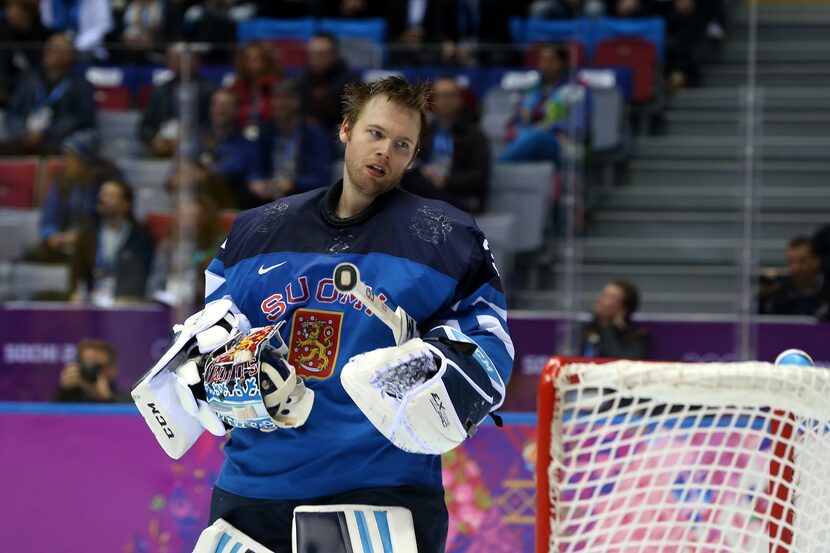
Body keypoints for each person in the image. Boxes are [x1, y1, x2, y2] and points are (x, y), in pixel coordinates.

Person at [134, 76, 513, 553]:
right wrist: (216, 371)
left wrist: (439, 367)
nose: (385, 153)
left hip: (380, 490)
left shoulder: (445, 237)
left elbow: (490, 346)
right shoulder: (258, 230)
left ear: (413, 157)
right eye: (375, 134)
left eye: (402, 144)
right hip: (255, 489)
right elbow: (215, 336)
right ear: (346, 130)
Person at [401, 76, 490, 214]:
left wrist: (445, 181)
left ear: (459, 99)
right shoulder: (427, 130)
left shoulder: (474, 134)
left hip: (455, 193)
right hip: (426, 186)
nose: (445, 101)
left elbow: (479, 175)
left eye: (449, 96)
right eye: (440, 96)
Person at [25, 129, 117, 264]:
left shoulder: (107, 185)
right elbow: (49, 218)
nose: (65, 163)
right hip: (63, 243)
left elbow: (110, 224)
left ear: (86, 162)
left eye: (71, 158)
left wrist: (81, 237)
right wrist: (52, 235)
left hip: (94, 246)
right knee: (32, 253)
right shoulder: (61, 181)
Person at [3, 33, 96, 155]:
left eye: (56, 47)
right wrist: (23, 133)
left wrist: (45, 133)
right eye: (48, 46)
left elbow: (81, 118)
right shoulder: (30, 78)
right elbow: (13, 111)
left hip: (58, 139)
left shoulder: (81, 84)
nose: (49, 51)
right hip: (24, 136)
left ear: (70, 56)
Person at [167, 87, 259, 209]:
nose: (221, 109)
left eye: (227, 105)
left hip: (228, 204)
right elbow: (174, 173)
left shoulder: (245, 144)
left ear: (237, 110)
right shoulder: (196, 136)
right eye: (217, 104)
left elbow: (230, 171)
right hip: (192, 203)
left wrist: (202, 175)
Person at [499, 43, 588, 167]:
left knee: (537, 135)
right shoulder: (533, 89)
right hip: (528, 138)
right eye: (542, 60)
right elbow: (519, 119)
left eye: (550, 60)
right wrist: (522, 115)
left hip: (561, 143)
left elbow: (577, 125)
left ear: (561, 62)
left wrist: (551, 127)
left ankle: (498, 167)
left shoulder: (574, 89)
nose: (545, 64)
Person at [70, 178, 155, 306]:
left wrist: (131, 297)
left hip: (127, 304)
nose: (102, 199)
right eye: (102, 194)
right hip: (92, 302)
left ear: (125, 204)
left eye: (110, 196)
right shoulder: (87, 234)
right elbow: (77, 272)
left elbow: (144, 275)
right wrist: (75, 293)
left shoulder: (141, 237)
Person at [247, 79, 333, 203]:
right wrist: (255, 181)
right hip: (268, 193)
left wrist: (294, 183)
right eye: (277, 98)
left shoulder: (313, 132)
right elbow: (253, 164)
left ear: (299, 102)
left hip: (301, 195)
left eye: (287, 98)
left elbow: (321, 177)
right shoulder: (265, 130)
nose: (281, 104)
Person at [137, 43, 216, 158]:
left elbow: (214, 123)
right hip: (165, 143)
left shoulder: (210, 90)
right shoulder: (160, 91)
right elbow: (146, 126)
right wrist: (153, 140)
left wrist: (199, 135)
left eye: (180, 59)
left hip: (197, 142)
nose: (176, 64)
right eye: (172, 60)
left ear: (195, 62)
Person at [297, 32, 358, 134]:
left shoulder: (348, 79)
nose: (315, 58)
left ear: (334, 54)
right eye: (312, 54)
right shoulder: (305, 77)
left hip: (340, 132)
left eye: (320, 54)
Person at [759, 236, 830, 319]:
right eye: (790, 261)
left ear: (816, 261)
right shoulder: (779, 290)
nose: (796, 268)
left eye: (802, 261)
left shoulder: (827, 290)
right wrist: (762, 298)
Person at [0, 0, 50, 112]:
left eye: (12, 10)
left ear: (27, 12)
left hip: (32, 84)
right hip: (7, 83)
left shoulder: (43, 35)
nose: (7, 14)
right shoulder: (2, 31)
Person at [581, 279, 650, 360]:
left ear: (624, 308)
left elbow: (621, 363)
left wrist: (611, 329)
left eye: (609, 296)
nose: (600, 299)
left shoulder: (635, 336)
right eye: (603, 294)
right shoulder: (589, 329)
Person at [227, 40, 281, 142]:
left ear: (266, 61)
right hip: (240, 136)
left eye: (256, 59)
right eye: (248, 60)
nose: (251, 64)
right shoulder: (236, 88)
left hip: (271, 137)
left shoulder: (276, 86)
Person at [55, 338, 130, 402]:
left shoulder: (127, 402)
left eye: (97, 367)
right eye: (86, 365)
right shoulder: (68, 399)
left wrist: (107, 399)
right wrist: (63, 392)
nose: (91, 371)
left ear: (113, 368)